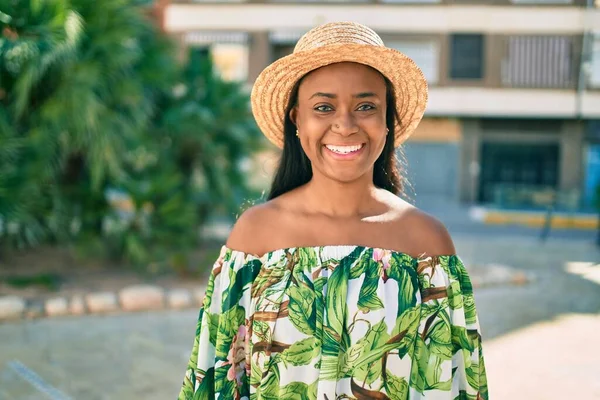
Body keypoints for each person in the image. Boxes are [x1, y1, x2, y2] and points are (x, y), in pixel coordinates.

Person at [178, 21, 488, 400]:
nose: (344, 124)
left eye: (366, 106)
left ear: (386, 121)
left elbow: (457, 386)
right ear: (297, 119)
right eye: (323, 107)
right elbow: (214, 382)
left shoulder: (425, 243)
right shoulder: (254, 238)